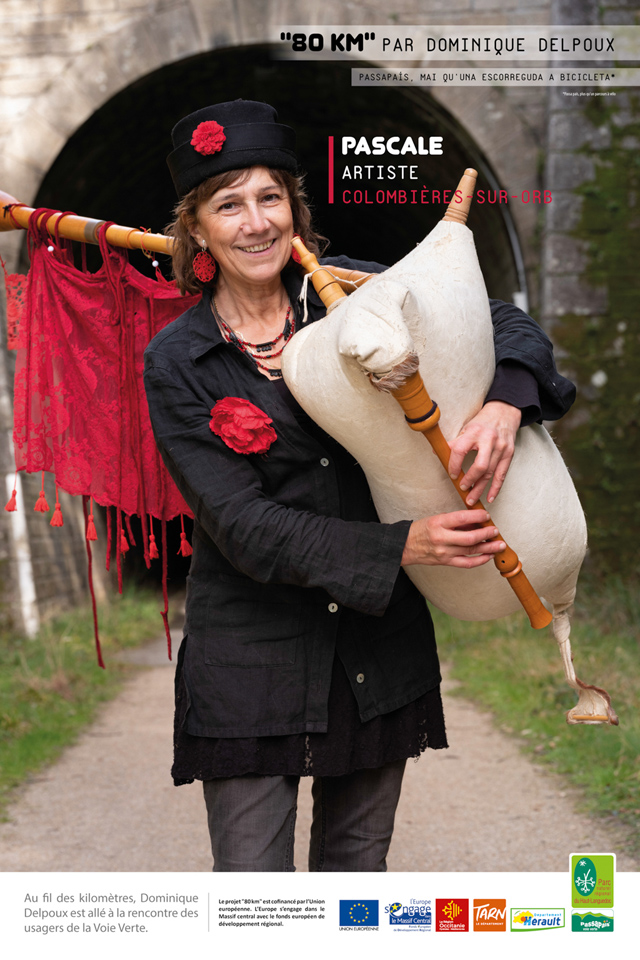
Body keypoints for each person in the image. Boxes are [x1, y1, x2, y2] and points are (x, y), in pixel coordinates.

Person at [143, 100, 575, 872]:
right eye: (228, 204)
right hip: (251, 654)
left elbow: (500, 321)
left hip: (377, 648)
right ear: (197, 230)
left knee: (354, 890)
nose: (255, 222)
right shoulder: (177, 362)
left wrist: (507, 399)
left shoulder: (355, 293)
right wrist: (404, 543)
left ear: (296, 210)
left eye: (270, 197)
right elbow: (244, 527)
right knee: (255, 904)